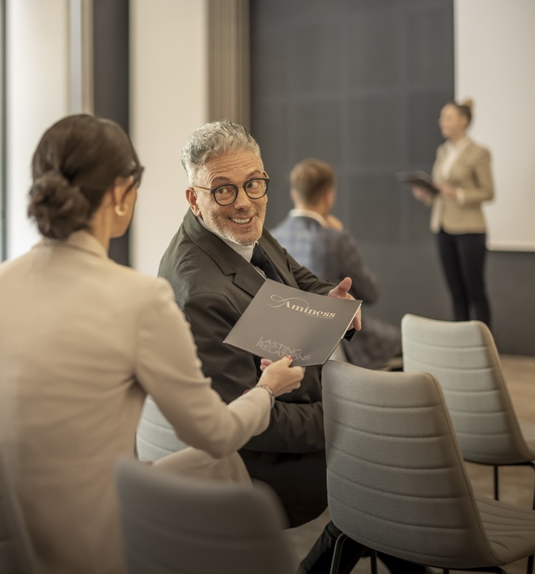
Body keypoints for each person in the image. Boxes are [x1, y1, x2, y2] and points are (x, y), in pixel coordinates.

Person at [0, 114, 306, 574]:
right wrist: (267, 389)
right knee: (223, 467)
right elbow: (215, 434)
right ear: (120, 195)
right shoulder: (140, 298)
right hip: (90, 544)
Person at [159, 121, 429, 574]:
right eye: (223, 190)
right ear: (195, 198)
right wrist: (346, 419)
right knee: (390, 463)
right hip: (260, 464)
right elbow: (249, 423)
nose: (244, 202)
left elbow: (295, 275)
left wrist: (329, 297)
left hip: (297, 406)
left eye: (254, 184)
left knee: (391, 466)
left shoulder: (238, 226)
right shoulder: (201, 291)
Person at [272, 159, 401, 369]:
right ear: (328, 196)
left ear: (294, 194)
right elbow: (370, 294)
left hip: (290, 345)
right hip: (342, 342)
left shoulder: (274, 237)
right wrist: (339, 234)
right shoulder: (336, 239)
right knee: (405, 341)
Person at [412, 98, 494, 327]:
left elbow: (488, 192)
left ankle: (485, 347)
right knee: (456, 291)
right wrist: (427, 193)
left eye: (447, 117)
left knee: (475, 291)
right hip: (442, 226)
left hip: (469, 229)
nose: (441, 122)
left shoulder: (479, 152)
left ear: (464, 121)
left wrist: (457, 193)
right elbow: (440, 191)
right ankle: (461, 347)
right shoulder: (442, 151)